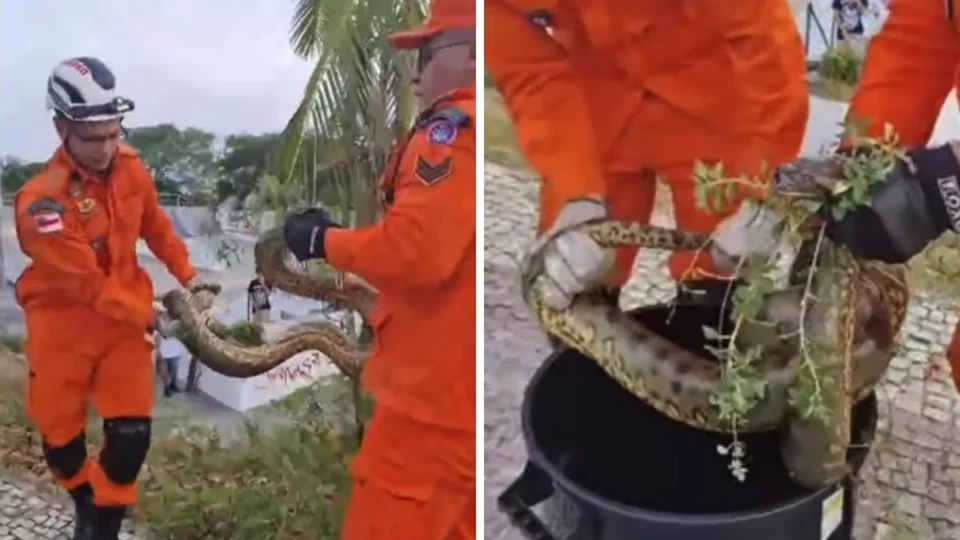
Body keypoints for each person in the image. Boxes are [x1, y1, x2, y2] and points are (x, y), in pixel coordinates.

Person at [281, 1, 476, 538]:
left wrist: (324, 240)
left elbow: (416, 253)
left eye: (427, 55)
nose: (416, 74)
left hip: (431, 414)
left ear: (471, 55)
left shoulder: (451, 134)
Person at [485, 0, 809, 314]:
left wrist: (767, 194)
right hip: (592, 109)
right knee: (570, 272)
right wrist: (575, 190)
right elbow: (530, 74)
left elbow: (765, 40)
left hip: (712, 100)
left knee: (720, 279)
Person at [13, 57, 220, 540]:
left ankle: (99, 529)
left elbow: (157, 228)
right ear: (61, 128)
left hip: (125, 322)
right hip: (63, 326)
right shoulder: (42, 204)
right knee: (62, 447)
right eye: (93, 138)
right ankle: (88, 505)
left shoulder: (130, 167)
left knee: (131, 439)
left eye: (113, 133)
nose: (107, 147)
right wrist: (152, 317)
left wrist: (190, 277)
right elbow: (85, 285)